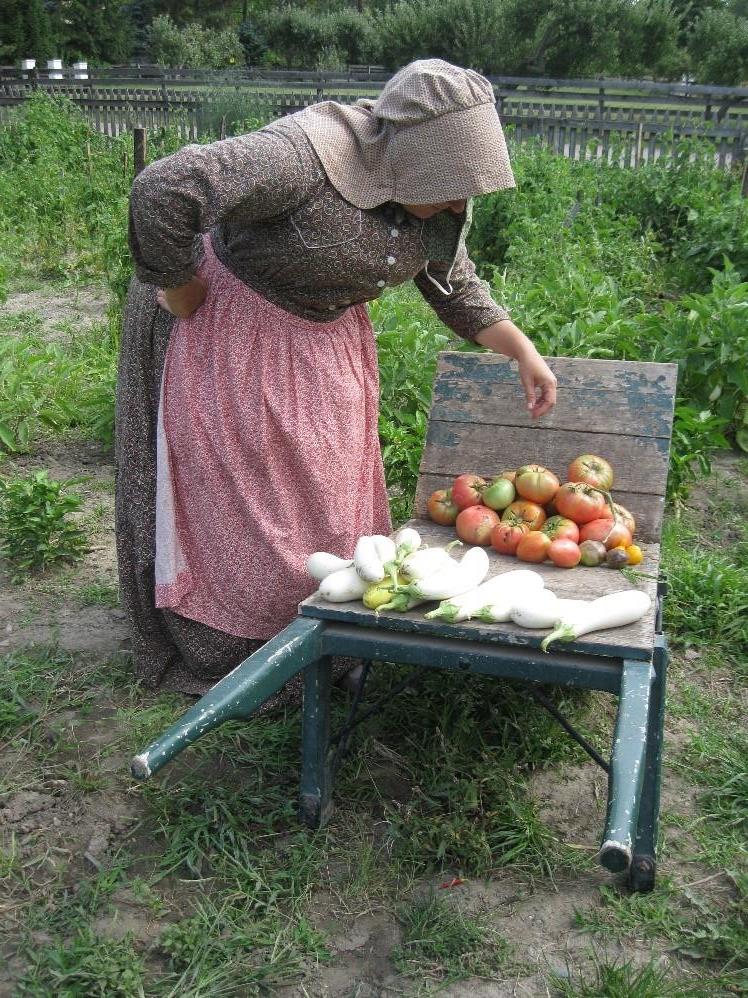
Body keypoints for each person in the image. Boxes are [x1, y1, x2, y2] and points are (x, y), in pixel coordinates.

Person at [115, 58, 557, 704]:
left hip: (322, 350)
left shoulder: (432, 200)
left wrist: (521, 350)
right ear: (406, 159)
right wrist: (180, 287)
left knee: (322, 499)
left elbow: (450, 279)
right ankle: (234, 643)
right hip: (231, 337)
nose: (462, 201)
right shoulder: (301, 159)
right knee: (243, 504)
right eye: (452, 182)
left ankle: (321, 627)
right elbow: (164, 190)